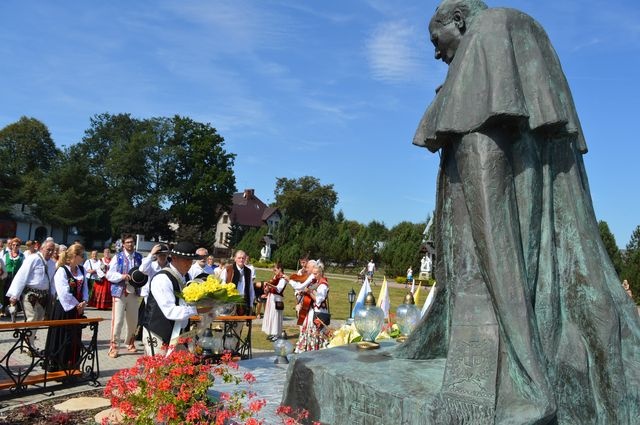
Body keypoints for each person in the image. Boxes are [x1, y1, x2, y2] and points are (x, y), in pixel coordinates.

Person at [396, 1, 640, 423]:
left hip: (506, 334)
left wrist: (523, 362)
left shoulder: (489, 34)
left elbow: (490, 225)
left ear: (459, 21)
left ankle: (523, 370)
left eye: (436, 41)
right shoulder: (520, 32)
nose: (436, 53)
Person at [141, 241, 198, 356]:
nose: (189, 264)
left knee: (179, 371)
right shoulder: (162, 278)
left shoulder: (186, 277)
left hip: (178, 334)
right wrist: (198, 309)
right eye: (186, 260)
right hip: (158, 334)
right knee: (157, 372)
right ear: (174, 258)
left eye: (191, 260)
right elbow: (170, 311)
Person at [44, 243, 88, 372]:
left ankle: (72, 365)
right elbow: (63, 292)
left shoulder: (81, 269)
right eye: (82, 255)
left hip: (77, 310)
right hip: (63, 309)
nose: (83, 258)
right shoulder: (62, 270)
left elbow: (85, 288)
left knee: (74, 338)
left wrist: (84, 302)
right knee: (62, 337)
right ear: (75, 256)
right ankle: (58, 366)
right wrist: (76, 305)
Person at [106, 234, 142, 358]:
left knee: (133, 321)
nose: (130, 244)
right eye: (127, 242)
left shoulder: (139, 257)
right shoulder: (118, 257)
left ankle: (130, 343)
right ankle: (114, 346)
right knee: (118, 321)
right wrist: (122, 276)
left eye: (132, 242)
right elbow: (109, 274)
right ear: (123, 244)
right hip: (119, 291)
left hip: (134, 292)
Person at [6, 240, 56, 329]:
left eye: (52, 250)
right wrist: (14, 295)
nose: (50, 252)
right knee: (32, 318)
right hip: (30, 294)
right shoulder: (33, 258)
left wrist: (53, 294)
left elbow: (52, 281)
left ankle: (29, 340)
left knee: (39, 319)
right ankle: (28, 341)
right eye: (48, 249)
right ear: (42, 248)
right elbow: (21, 276)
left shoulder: (52, 264)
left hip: (44, 296)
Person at [294, 261, 330, 353]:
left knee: (316, 331)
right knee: (308, 329)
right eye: (313, 273)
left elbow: (318, 300)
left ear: (321, 273)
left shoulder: (323, 284)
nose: (314, 275)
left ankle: (315, 350)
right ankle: (307, 349)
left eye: (316, 273)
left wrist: (309, 292)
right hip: (311, 311)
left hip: (318, 312)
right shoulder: (315, 282)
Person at [219, 250, 255, 315]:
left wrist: (251, 304)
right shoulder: (228, 270)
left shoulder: (248, 271)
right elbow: (222, 286)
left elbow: (250, 288)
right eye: (239, 258)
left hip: (243, 301)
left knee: (239, 323)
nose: (241, 260)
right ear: (235, 259)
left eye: (243, 258)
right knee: (228, 323)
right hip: (230, 301)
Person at [262, 262, 287, 341]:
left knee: (276, 316)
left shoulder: (283, 278)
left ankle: (277, 334)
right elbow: (272, 286)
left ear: (280, 269)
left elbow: (279, 289)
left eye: (275, 269)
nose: (274, 271)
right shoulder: (276, 277)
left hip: (277, 298)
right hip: (271, 297)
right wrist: (267, 289)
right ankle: (272, 332)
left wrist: (269, 284)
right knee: (270, 315)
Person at [2, 238, 24, 317]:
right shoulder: (6, 255)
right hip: (7, 278)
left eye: (17, 245)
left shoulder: (22, 256)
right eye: (13, 245)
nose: (15, 246)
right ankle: (4, 310)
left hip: (16, 278)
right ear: (11, 245)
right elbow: (2, 266)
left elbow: (23, 268)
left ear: (19, 246)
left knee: (14, 294)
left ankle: (13, 311)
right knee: (5, 293)